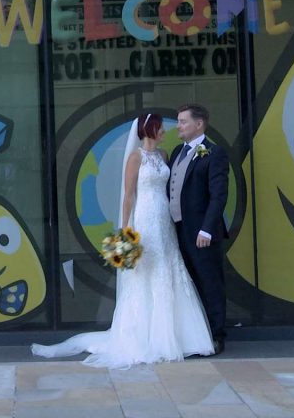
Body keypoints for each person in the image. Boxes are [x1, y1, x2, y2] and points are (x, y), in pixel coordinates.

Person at [32, 112, 214, 368]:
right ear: (149, 130)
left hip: (164, 220)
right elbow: (128, 196)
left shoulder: (163, 156)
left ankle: (182, 337)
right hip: (145, 219)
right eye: (160, 128)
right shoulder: (135, 158)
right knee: (144, 273)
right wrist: (126, 229)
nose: (164, 132)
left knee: (169, 269)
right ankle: (144, 337)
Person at [168, 103, 229, 355]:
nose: (179, 126)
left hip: (202, 233)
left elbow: (218, 195)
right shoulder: (175, 152)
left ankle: (216, 335)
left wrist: (207, 230)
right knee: (188, 284)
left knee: (210, 282)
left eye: (183, 121)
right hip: (177, 231)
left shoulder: (214, 153)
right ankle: (195, 335)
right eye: (179, 121)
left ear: (199, 124)